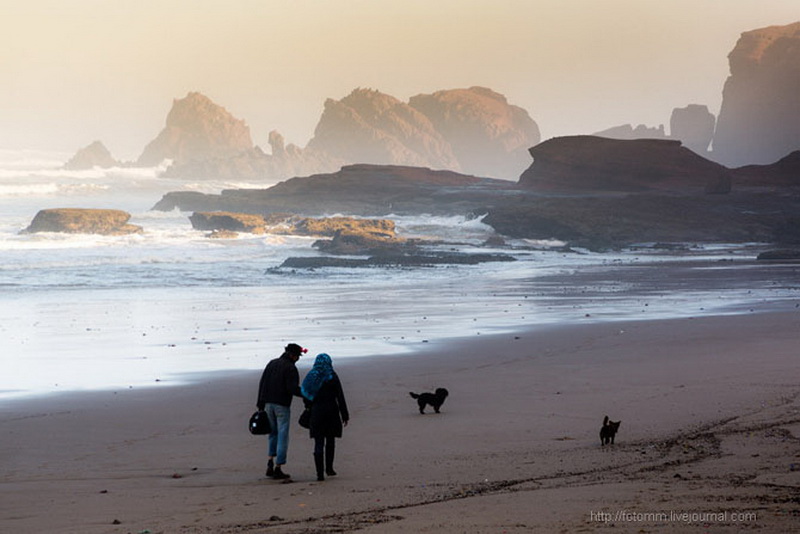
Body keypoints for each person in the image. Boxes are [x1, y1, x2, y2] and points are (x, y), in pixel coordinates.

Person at [256, 342, 306, 480]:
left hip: (267, 403)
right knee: (282, 435)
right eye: (298, 356)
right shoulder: (291, 368)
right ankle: (278, 467)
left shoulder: (272, 363)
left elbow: (263, 383)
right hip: (282, 405)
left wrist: (260, 403)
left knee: (272, 433)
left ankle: (270, 462)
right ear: (293, 355)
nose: (298, 359)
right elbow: (292, 389)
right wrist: (306, 394)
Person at [300, 353, 349, 481]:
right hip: (332, 412)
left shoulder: (312, 376)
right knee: (330, 441)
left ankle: (319, 474)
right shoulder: (332, 376)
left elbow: (305, 393)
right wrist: (345, 415)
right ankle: (329, 468)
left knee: (318, 442)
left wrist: (308, 406)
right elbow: (340, 396)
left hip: (316, 413)